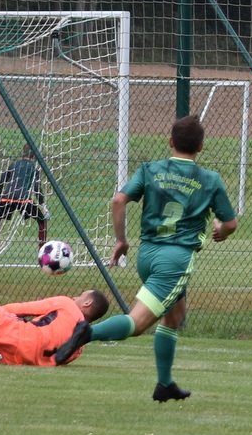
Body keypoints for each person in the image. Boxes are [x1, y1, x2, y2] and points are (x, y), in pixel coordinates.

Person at [54, 115, 238, 402]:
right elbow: (230, 224)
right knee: (138, 324)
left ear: (170, 142)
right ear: (201, 147)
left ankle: (165, 384)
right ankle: (87, 333)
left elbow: (119, 200)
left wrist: (121, 240)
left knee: (174, 315)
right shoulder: (210, 180)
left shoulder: (149, 169)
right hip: (175, 260)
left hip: (147, 254)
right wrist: (220, 231)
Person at [0, 290, 109, 365]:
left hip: (21, 335)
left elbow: (20, 308)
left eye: (80, 296)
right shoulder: (78, 349)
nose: (75, 297)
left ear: (87, 302)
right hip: (20, 358)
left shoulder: (67, 303)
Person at [0, 143, 48, 252]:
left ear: (23, 152)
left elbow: (2, 180)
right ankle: (42, 248)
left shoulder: (14, 165)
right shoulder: (33, 168)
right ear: (34, 155)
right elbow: (36, 187)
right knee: (42, 221)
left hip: (7, 197)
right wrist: (42, 203)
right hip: (23, 199)